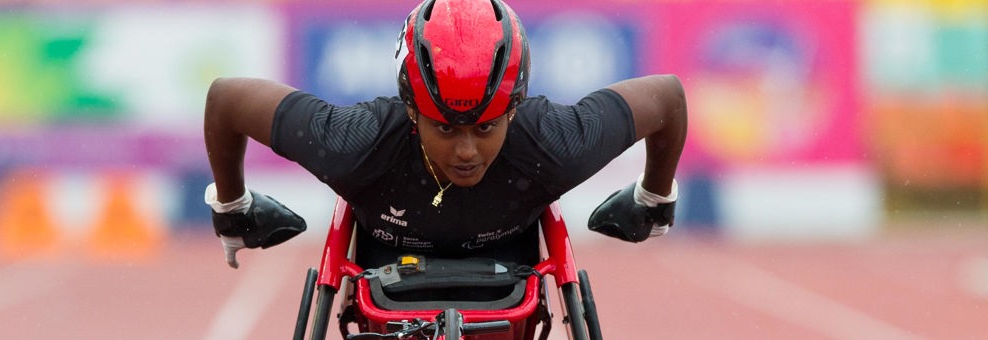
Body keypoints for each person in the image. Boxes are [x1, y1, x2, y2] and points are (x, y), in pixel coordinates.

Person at [203, 0, 686, 269]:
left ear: (514, 110)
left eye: (486, 127)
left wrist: (654, 198)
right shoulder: (356, 143)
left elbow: (667, 97)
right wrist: (232, 207)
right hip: (387, 260)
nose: (466, 152)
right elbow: (226, 99)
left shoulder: (555, 142)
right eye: (445, 128)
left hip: (509, 259)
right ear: (411, 110)